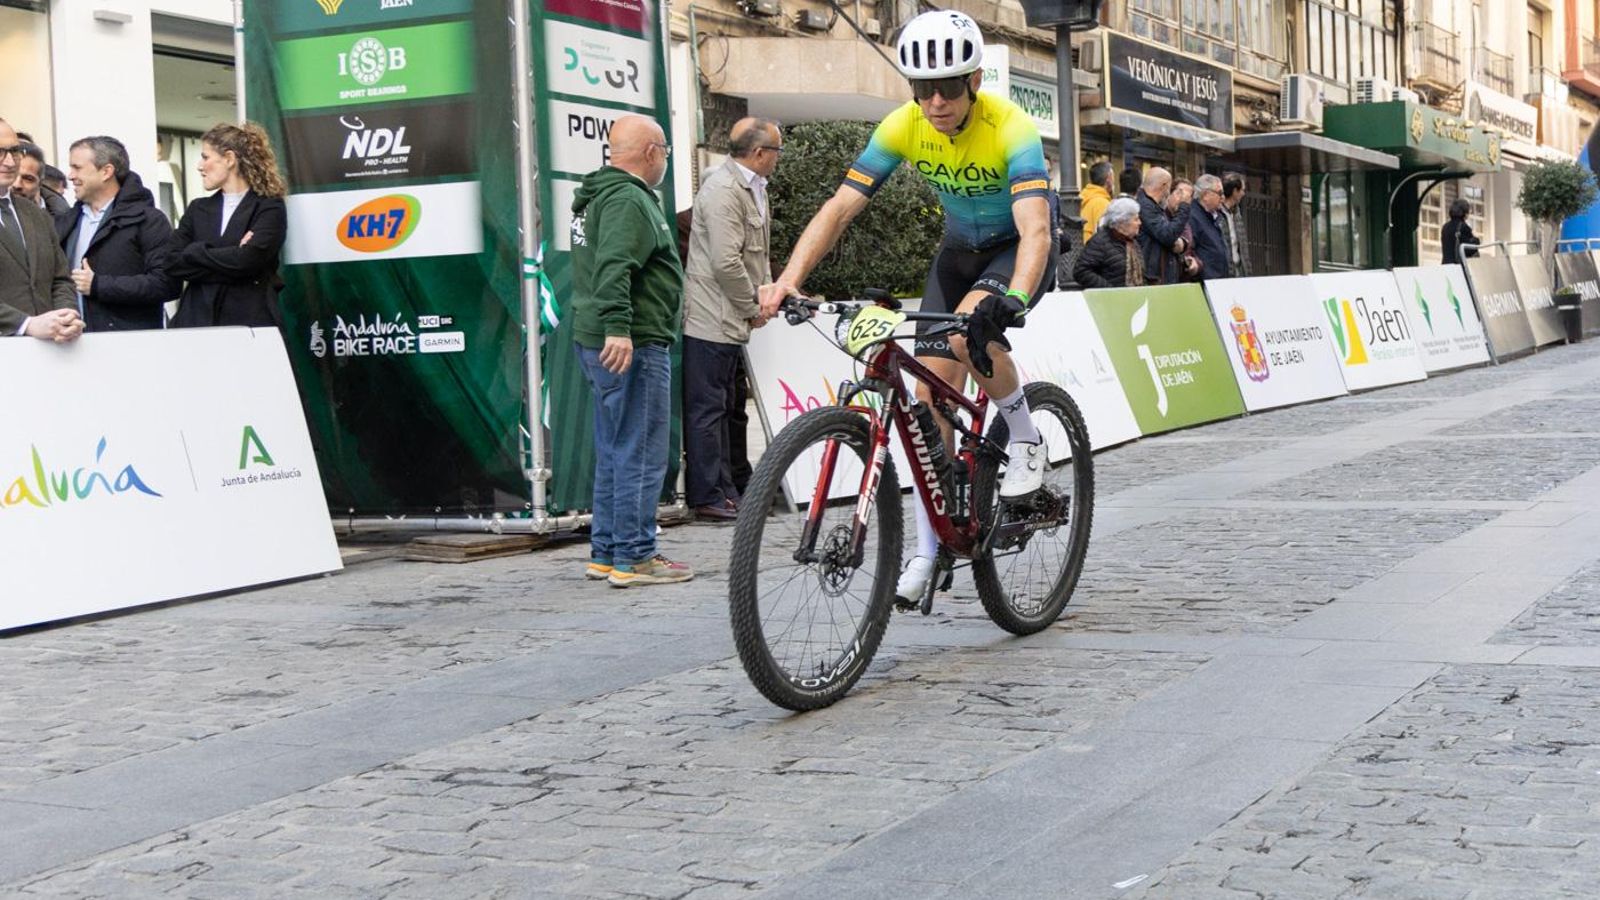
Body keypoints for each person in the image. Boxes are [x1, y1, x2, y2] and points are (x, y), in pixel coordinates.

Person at [757, 10, 1055, 604]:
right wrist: (786, 279)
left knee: (969, 332)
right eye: (924, 89)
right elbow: (841, 207)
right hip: (956, 252)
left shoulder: (1011, 127)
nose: (937, 100)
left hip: (1013, 251)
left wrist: (1016, 297)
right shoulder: (902, 126)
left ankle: (1026, 437)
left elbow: (1037, 229)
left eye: (949, 87)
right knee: (925, 403)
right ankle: (929, 548)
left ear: (974, 82)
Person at [570, 114, 694, 588]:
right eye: (664, 150)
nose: (664, 159)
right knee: (640, 452)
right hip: (633, 343)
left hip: (609, 339)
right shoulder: (626, 200)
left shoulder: (601, 196)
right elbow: (613, 267)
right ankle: (636, 557)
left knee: (615, 449)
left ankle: (608, 551)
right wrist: (620, 329)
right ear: (651, 152)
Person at [682, 117, 781, 522]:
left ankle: (734, 485)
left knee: (731, 406)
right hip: (711, 318)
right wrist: (752, 306)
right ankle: (709, 494)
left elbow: (758, 254)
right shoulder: (723, 191)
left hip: (731, 318)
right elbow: (726, 261)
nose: (779, 158)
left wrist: (770, 293)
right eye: (777, 150)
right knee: (708, 408)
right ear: (759, 154)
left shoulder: (755, 188)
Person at [168, 122, 286, 328]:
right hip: (196, 323)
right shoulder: (198, 208)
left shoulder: (269, 206)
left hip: (248, 323)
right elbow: (170, 261)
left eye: (206, 157)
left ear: (230, 159)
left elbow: (249, 260)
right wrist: (233, 256)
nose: (199, 166)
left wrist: (194, 252)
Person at [56, 135, 178, 332]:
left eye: (77, 168)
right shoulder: (65, 222)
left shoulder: (148, 220)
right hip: (71, 344)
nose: (70, 176)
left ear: (106, 171)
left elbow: (167, 283)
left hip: (128, 346)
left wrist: (99, 285)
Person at [0, 119, 82, 342]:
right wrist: (26, 324)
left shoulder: (36, 214)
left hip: (49, 352)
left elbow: (60, 278)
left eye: (14, 151)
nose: (9, 161)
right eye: (0, 152)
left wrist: (66, 316)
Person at [1136, 167, 1191, 285]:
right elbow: (1167, 235)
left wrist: (1183, 243)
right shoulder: (1145, 207)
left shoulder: (1154, 206)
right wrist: (1184, 206)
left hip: (1160, 277)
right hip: (1152, 279)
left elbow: (1168, 233)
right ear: (1164, 185)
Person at [1073, 198, 1143, 288]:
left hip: (1132, 299)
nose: (1140, 223)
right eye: (1136, 219)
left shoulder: (1132, 243)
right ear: (1122, 222)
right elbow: (1081, 271)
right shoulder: (1100, 242)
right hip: (1108, 300)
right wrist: (1108, 290)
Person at [1187, 174, 1230, 281]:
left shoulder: (1214, 216)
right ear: (1205, 195)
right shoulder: (1192, 217)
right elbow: (1189, 251)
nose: (1223, 197)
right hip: (1204, 283)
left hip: (1217, 281)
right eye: (1219, 193)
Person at [14, 144, 69, 219]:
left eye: (28, 179)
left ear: (40, 183)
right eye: (11, 175)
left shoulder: (64, 220)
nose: (17, 185)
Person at [1219, 172, 1250, 277]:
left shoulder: (1237, 213)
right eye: (1242, 190)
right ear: (1234, 191)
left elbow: (1242, 246)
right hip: (1225, 272)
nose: (1243, 194)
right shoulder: (1217, 213)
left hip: (1239, 270)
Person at [1079, 160, 1115, 244]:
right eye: (1113, 177)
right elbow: (1106, 237)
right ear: (1108, 178)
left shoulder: (1085, 197)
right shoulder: (1102, 203)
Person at [1441, 199, 1478, 265]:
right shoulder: (1463, 227)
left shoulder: (1445, 227)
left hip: (1446, 265)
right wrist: (1476, 241)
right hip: (1458, 266)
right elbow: (1469, 249)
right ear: (1464, 213)